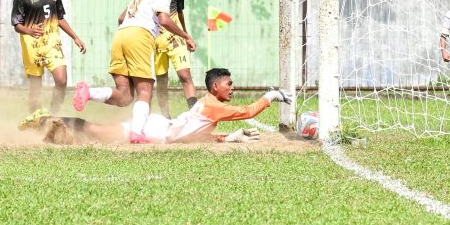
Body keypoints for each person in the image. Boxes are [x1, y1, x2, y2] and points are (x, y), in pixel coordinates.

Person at [73, 0, 197, 143]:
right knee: (145, 91)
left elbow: (121, 17)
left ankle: (89, 92)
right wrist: (186, 35)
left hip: (121, 35)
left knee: (124, 96)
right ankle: (137, 133)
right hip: (139, 37)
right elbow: (164, 19)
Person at [20, 67, 290, 144]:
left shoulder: (210, 105)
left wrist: (227, 138)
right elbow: (248, 111)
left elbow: (192, 136)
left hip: (161, 127)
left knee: (95, 132)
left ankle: (50, 126)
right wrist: (272, 96)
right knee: (95, 131)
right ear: (215, 87)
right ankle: (45, 121)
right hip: (156, 131)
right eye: (228, 84)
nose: (232, 88)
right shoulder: (214, 106)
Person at [119, 0, 197, 117]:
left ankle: (195, 114)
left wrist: (185, 34)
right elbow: (162, 19)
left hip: (174, 37)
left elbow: (178, 12)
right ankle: (165, 117)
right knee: (158, 82)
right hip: (153, 38)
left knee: (185, 75)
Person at [11, 0, 86, 114]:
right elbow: (17, 24)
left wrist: (75, 37)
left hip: (52, 43)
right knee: (36, 89)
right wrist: (29, 30)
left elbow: (59, 18)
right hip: (33, 46)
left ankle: (53, 115)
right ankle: (35, 118)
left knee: (62, 80)